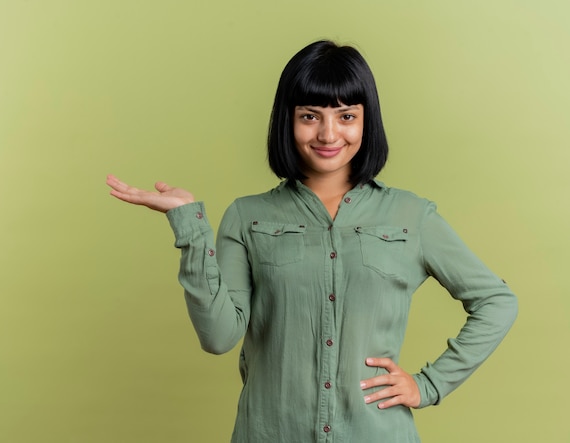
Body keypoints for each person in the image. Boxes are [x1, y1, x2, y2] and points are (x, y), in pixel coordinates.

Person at [106, 40, 517, 443]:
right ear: (287, 120)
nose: (328, 133)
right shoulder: (248, 217)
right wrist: (189, 226)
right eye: (309, 116)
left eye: (345, 116)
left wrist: (428, 385)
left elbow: (496, 301)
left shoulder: (411, 217)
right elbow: (218, 338)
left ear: (366, 120)